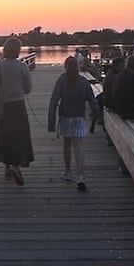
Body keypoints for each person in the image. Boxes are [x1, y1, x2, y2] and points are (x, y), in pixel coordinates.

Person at [48, 56, 97, 190]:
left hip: (65, 117)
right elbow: (92, 99)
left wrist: (51, 122)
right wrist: (96, 112)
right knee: (79, 146)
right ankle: (81, 176)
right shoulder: (83, 81)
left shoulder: (61, 80)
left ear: (65, 67)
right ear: (78, 67)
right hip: (79, 117)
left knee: (67, 145)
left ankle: (68, 171)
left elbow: (53, 101)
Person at [0, 36, 34, 185]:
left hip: (3, 107)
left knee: (4, 137)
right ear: (18, 51)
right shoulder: (22, 67)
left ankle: (8, 168)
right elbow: (28, 88)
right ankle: (15, 165)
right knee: (18, 136)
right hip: (18, 106)